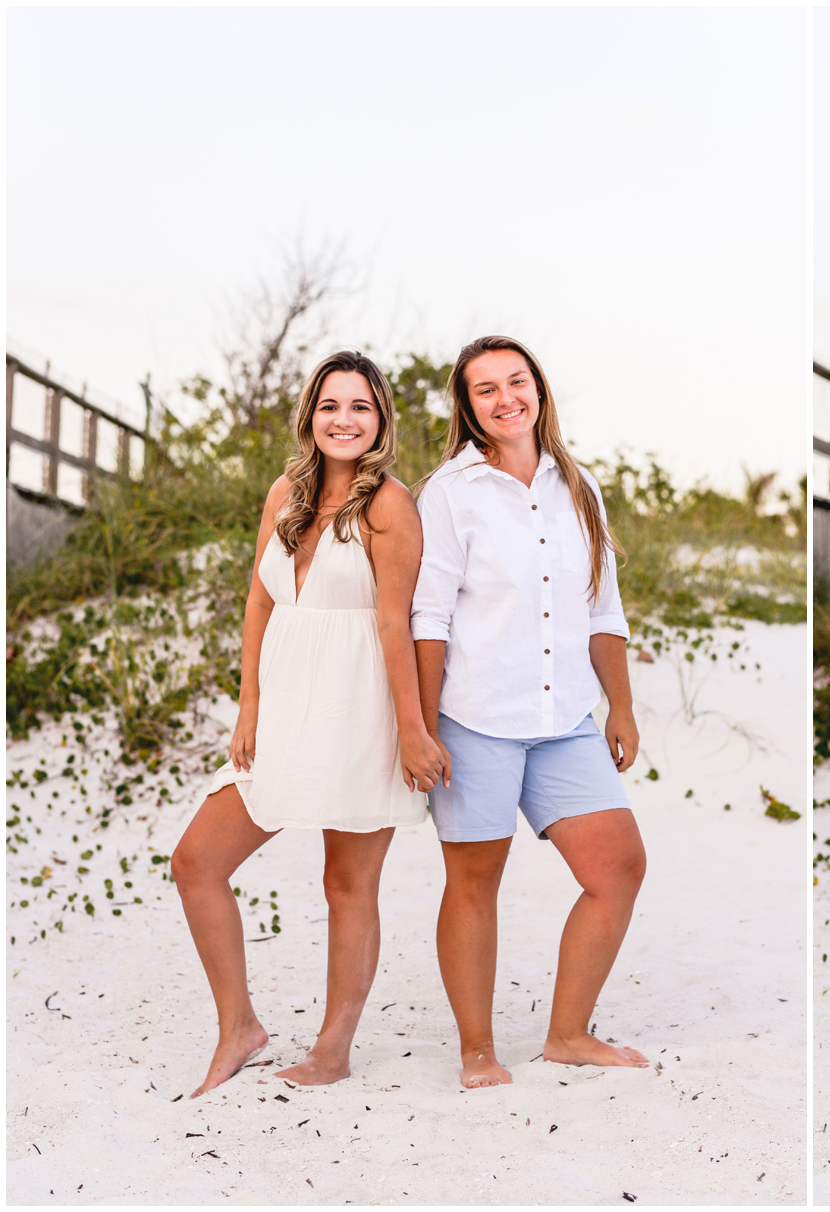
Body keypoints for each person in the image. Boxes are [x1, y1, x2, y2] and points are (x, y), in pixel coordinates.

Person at [172, 351, 441, 1098]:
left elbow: (398, 625)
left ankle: (333, 1047)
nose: (344, 419)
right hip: (285, 703)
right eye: (330, 405)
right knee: (196, 862)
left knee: (347, 883)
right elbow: (260, 602)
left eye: (360, 406)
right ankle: (240, 1027)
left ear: (381, 419)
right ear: (310, 415)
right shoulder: (284, 494)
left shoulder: (390, 505)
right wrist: (248, 704)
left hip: (363, 706)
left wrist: (413, 730)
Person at [411, 335, 648, 1090]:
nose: (505, 397)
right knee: (476, 883)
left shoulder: (579, 486)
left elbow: (602, 608)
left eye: (517, 382)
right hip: (475, 718)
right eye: (486, 389)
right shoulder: (449, 493)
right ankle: (477, 1049)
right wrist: (419, 727)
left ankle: (568, 1033)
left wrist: (621, 707)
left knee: (619, 866)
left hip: (568, 720)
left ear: (539, 390)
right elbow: (429, 618)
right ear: (467, 405)